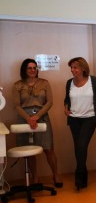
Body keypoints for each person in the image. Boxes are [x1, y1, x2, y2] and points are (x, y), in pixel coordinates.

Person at [64, 57, 96, 190]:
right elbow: (67, 99)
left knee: (81, 145)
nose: (72, 70)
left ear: (83, 68)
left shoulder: (93, 80)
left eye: (75, 67)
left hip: (90, 118)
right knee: (78, 148)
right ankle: (83, 177)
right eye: (71, 67)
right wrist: (65, 107)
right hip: (74, 119)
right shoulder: (69, 83)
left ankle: (79, 176)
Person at [12, 58, 62, 188]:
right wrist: (28, 119)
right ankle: (35, 177)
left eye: (34, 68)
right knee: (29, 150)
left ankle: (55, 175)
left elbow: (50, 102)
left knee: (48, 148)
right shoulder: (17, 85)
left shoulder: (45, 83)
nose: (32, 70)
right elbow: (16, 105)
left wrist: (37, 116)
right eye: (29, 68)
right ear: (24, 70)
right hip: (24, 120)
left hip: (42, 117)